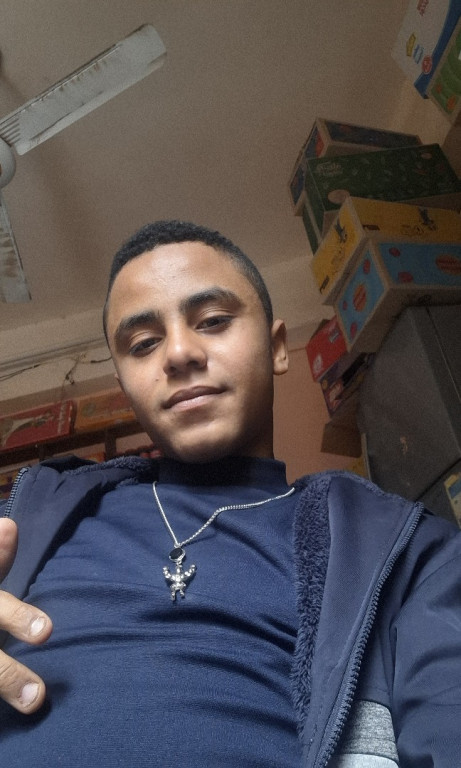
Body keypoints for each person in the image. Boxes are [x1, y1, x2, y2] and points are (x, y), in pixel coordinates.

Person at [0, 220, 460, 767]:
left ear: (277, 348)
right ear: (125, 388)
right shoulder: (32, 518)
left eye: (213, 321)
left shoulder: (404, 550)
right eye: (143, 344)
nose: (178, 353)